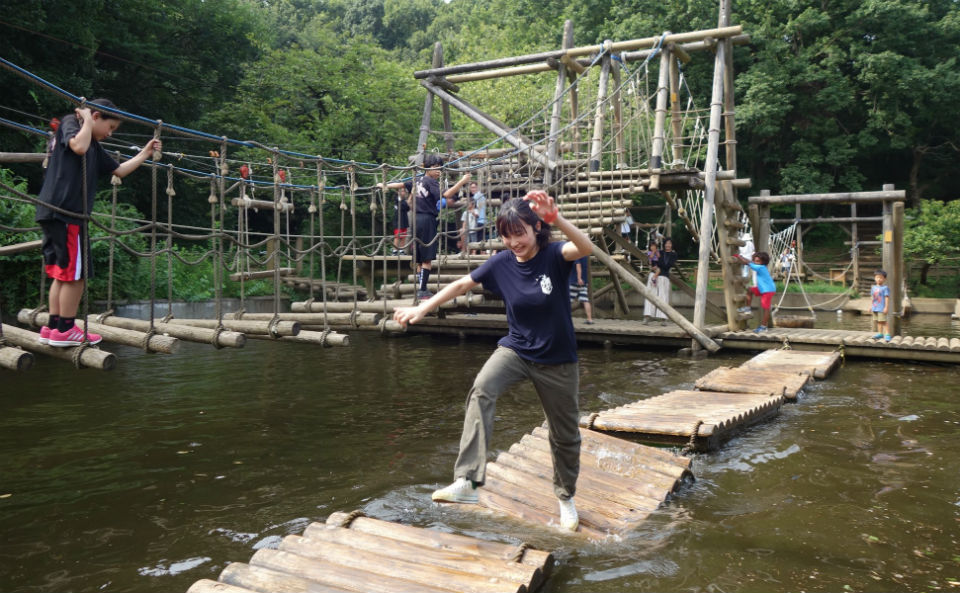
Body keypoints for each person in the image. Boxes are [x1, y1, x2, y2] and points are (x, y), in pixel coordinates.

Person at [393, 190, 593, 532]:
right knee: (482, 388)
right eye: (507, 234)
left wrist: (556, 218)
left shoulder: (554, 255)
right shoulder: (501, 264)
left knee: (565, 435)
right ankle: (468, 482)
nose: (514, 241)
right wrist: (420, 308)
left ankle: (565, 498)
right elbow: (460, 285)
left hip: (557, 359)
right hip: (516, 350)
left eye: (521, 233)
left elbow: (586, 248)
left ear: (536, 229)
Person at [35, 99, 161, 347]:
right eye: (110, 126)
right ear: (95, 116)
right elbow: (78, 147)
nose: (110, 133)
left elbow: (120, 170)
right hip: (67, 214)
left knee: (62, 274)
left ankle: (53, 327)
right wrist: (86, 120)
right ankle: (66, 329)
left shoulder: (93, 143)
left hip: (54, 212)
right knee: (76, 275)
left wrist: (145, 153)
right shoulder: (73, 124)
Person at [383, 154, 470, 299]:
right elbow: (446, 194)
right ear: (427, 168)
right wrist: (462, 181)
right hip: (427, 219)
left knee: (418, 257)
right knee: (427, 257)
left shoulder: (417, 180)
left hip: (415, 220)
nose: (438, 171)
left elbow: (402, 185)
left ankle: (421, 287)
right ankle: (422, 290)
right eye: (435, 168)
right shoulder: (431, 181)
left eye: (440, 168)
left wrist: (384, 185)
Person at [736, 251, 775, 332]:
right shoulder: (759, 265)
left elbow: (747, 262)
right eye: (755, 260)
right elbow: (750, 261)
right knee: (750, 290)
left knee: (766, 308)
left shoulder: (761, 267)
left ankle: (763, 327)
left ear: (763, 262)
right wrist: (741, 257)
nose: (755, 262)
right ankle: (747, 308)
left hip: (767, 290)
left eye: (757, 261)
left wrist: (739, 257)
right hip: (762, 288)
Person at [642, 240, 663, 324]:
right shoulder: (650, 253)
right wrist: (653, 253)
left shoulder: (659, 252)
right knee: (649, 295)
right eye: (652, 246)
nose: (653, 247)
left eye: (654, 246)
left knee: (661, 297)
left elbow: (660, 259)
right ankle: (647, 316)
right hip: (652, 273)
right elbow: (650, 260)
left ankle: (662, 318)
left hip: (660, 274)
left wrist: (656, 253)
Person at [569, 255, 594, 324]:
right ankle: (589, 319)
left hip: (574, 281)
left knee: (567, 301)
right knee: (585, 300)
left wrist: (579, 278)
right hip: (584, 281)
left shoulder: (576, 253)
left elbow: (578, 264)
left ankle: (565, 319)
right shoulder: (585, 255)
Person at [871, 269, 891, 342]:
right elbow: (873, 298)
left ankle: (887, 334)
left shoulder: (885, 288)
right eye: (877, 277)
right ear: (875, 278)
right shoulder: (873, 288)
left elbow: (886, 298)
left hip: (881, 308)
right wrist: (871, 306)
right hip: (875, 307)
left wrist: (886, 307)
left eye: (881, 277)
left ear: (884, 279)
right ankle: (880, 333)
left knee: (884, 321)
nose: (879, 279)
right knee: (878, 321)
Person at [390, 185, 410, 255]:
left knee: (403, 236)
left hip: (404, 220)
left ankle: (401, 250)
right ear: (398, 192)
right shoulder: (396, 199)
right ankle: (394, 250)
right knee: (397, 236)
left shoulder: (404, 200)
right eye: (402, 191)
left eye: (404, 191)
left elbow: (407, 208)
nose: (403, 193)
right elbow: (402, 206)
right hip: (398, 221)